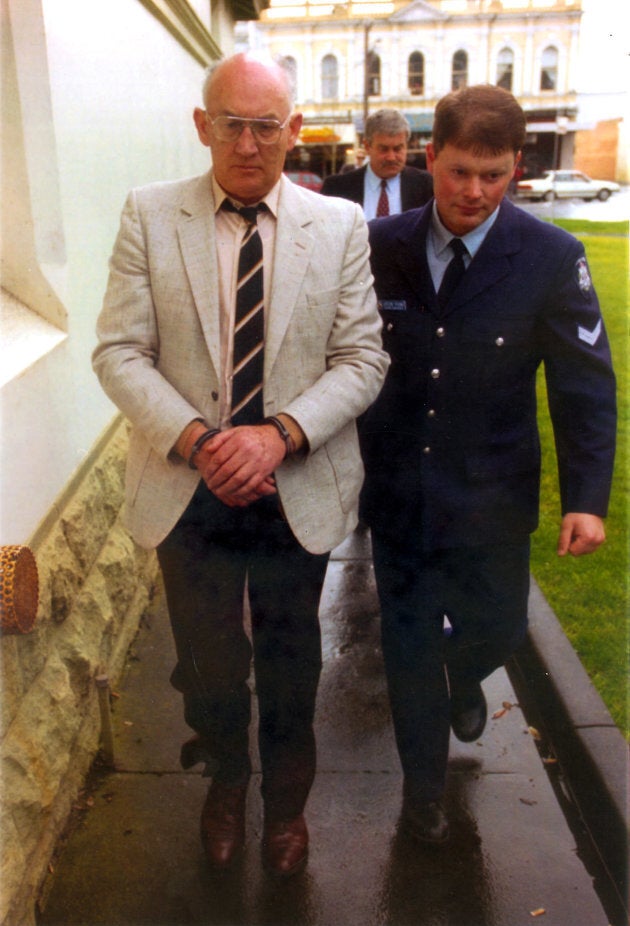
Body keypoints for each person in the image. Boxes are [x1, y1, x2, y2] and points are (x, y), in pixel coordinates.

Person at [93, 52, 388, 877]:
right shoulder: (151, 216)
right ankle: (226, 778)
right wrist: (199, 440)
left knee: (294, 660)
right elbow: (120, 351)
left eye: (268, 125)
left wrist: (278, 433)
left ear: (294, 130)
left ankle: (287, 807)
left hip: (295, 484)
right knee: (208, 661)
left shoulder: (338, 227)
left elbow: (362, 358)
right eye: (233, 123)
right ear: (203, 126)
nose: (251, 144)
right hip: (190, 488)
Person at [359, 84, 616, 844]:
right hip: (400, 491)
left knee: (498, 628)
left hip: (494, 497)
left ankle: (464, 672)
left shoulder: (549, 256)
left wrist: (587, 497)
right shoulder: (380, 247)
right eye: (460, 170)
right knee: (405, 640)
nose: (474, 192)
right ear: (430, 157)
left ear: (517, 168)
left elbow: (583, 385)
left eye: (494, 174)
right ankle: (423, 793)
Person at [321, 109, 432, 218]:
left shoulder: (427, 186)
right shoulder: (336, 189)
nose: (391, 158)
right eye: (384, 149)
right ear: (367, 146)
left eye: (398, 149)